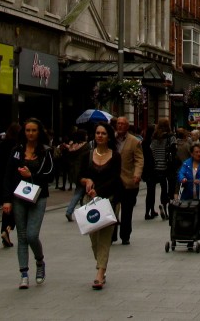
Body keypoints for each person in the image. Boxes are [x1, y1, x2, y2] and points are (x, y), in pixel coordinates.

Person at [3, 118, 54, 289]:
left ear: (39, 132)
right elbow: (8, 175)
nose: (30, 133)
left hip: (39, 196)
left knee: (32, 234)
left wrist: (30, 175)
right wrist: (6, 199)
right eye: (27, 130)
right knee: (22, 236)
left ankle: (40, 262)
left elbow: (50, 175)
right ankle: (24, 273)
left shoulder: (46, 151)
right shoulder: (17, 151)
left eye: (33, 130)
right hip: (19, 196)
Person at [78, 121, 122, 290]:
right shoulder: (87, 155)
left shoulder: (115, 156)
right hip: (90, 202)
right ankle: (101, 264)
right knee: (94, 238)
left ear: (109, 136)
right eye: (98, 133)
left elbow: (116, 179)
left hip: (109, 200)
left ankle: (100, 272)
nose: (100, 136)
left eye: (103, 133)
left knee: (104, 237)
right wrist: (86, 181)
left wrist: (99, 191)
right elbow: (78, 177)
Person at [111, 116, 144, 245]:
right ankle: (111, 235)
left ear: (127, 126)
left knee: (127, 211)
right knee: (111, 209)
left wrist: (137, 174)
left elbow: (139, 160)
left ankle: (125, 235)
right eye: (118, 124)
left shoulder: (134, 141)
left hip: (128, 181)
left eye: (122, 124)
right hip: (113, 180)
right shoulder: (110, 139)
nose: (120, 126)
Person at [0, 122, 21, 248]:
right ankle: (8, 229)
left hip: (1, 179)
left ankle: (5, 230)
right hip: (14, 180)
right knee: (16, 208)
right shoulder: (17, 147)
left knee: (6, 206)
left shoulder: (1, 144)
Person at [144, 119, 173, 220]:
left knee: (150, 191)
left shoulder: (154, 138)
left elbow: (151, 151)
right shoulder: (170, 138)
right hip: (165, 168)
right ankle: (165, 208)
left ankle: (148, 211)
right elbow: (174, 151)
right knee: (164, 189)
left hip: (154, 168)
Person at [61, 129, 89, 222]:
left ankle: (83, 210)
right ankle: (70, 211)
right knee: (80, 192)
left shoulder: (72, 145)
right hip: (83, 170)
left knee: (81, 191)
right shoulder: (85, 146)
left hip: (73, 170)